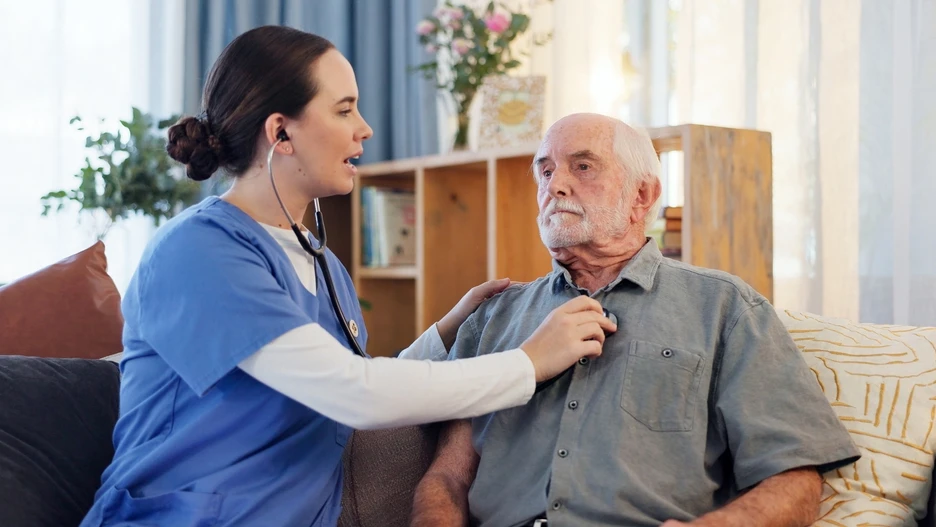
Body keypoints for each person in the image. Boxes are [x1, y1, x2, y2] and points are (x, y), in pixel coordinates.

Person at [79, 27, 617, 527]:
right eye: (344, 110)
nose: (365, 129)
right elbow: (352, 395)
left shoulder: (321, 263)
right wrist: (529, 362)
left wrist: (445, 333)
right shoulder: (197, 252)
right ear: (281, 133)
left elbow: (334, 390)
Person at [410, 113, 861, 527]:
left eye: (583, 167)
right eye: (545, 170)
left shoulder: (725, 306)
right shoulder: (493, 316)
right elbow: (447, 479)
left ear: (641, 195)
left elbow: (796, 479)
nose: (556, 185)